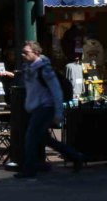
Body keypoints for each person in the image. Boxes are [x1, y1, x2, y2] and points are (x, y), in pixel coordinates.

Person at [15, 40, 85, 179]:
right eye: (22, 52)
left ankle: (29, 170)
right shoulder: (29, 68)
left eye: (26, 52)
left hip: (45, 107)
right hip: (36, 108)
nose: (23, 55)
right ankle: (76, 157)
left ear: (36, 53)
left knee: (30, 138)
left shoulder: (45, 69)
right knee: (45, 139)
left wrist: (58, 112)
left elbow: (56, 90)